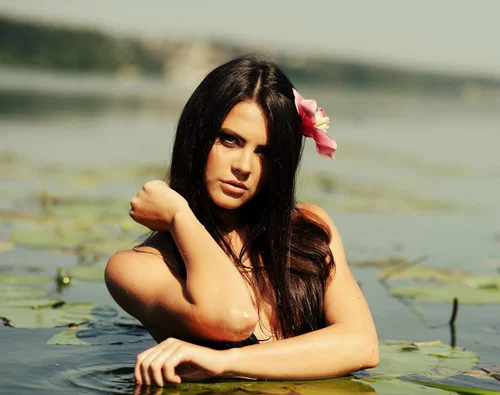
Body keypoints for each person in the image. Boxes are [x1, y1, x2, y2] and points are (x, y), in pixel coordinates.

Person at [104, 55, 379, 387]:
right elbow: (231, 319)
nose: (244, 166)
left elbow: (362, 345)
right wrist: (181, 217)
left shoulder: (310, 230)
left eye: (264, 151)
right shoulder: (138, 268)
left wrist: (224, 362)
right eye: (229, 140)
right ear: (196, 138)